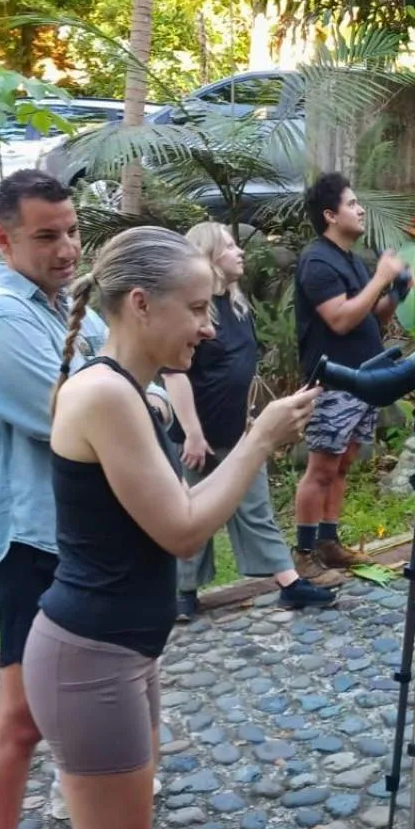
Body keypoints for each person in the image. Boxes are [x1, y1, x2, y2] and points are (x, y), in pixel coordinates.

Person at [22, 226, 318, 829]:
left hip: (116, 653)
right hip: (90, 660)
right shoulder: (105, 395)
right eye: (196, 309)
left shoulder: (133, 393)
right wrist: (258, 440)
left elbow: (171, 515)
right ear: (140, 305)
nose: (209, 327)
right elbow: (184, 529)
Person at [0, 171, 136, 829]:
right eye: (46, 236)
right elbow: (83, 411)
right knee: (21, 715)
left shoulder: (57, 306)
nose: (67, 249)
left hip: (76, 537)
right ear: (2, 238)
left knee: (78, 692)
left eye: (73, 231)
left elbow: (119, 386)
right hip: (32, 541)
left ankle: (77, 798)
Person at [163, 221, 340, 618]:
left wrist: (248, 420)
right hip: (195, 435)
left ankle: (289, 583)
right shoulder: (193, 312)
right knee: (192, 512)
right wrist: (192, 433)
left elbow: (243, 369)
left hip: (237, 433)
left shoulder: (239, 307)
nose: (239, 251)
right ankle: (183, 592)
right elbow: (174, 374)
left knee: (255, 506)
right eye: (229, 246)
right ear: (208, 256)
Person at [292, 172, 408, 576]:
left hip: (364, 379)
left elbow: (372, 317)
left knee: (342, 464)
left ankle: (329, 543)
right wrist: (381, 277)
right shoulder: (317, 261)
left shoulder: (351, 261)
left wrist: (396, 291)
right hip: (333, 383)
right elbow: (340, 319)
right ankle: (304, 554)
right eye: (352, 204)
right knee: (322, 468)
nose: (360, 210)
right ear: (330, 215)